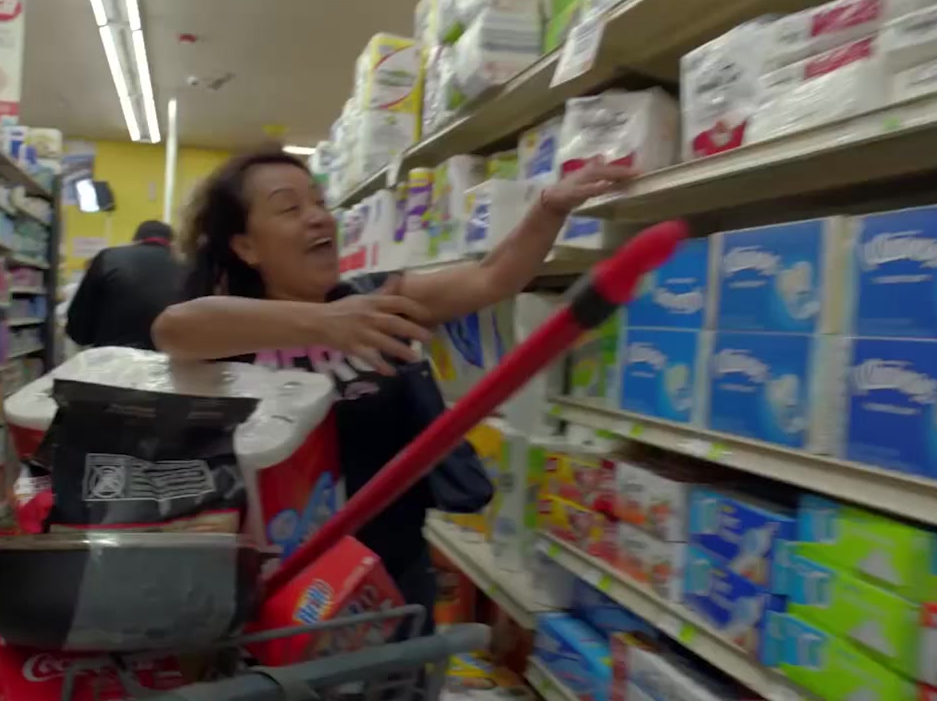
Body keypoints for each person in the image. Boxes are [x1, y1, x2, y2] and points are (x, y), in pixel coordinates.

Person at [152, 151, 636, 629]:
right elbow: (173, 329)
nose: (318, 216)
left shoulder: (377, 299)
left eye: (318, 201)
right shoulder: (234, 329)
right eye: (290, 208)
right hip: (277, 591)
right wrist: (323, 322)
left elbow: (493, 277)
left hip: (391, 581)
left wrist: (550, 206)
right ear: (246, 247)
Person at [66, 220, 186, 350]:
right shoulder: (189, 264)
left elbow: (79, 328)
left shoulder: (108, 258)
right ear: (172, 244)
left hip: (115, 356)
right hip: (173, 357)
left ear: (135, 241)